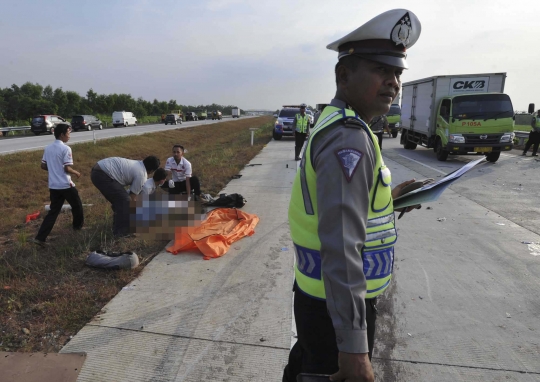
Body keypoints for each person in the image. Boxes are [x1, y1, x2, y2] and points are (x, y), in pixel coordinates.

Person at [283, 9, 422, 382]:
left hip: (320, 299)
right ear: (344, 75)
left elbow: (338, 209)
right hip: (337, 307)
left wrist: (388, 200)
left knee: (306, 365)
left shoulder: (343, 124)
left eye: (398, 74)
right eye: (381, 70)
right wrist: (355, 348)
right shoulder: (349, 137)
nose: (393, 83)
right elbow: (342, 245)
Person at [33, 123, 83, 247]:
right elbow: (67, 168)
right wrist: (76, 172)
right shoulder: (66, 149)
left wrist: (54, 169)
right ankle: (77, 229)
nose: (69, 136)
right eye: (68, 133)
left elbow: (43, 166)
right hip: (66, 184)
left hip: (54, 186)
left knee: (53, 212)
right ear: (62, 134)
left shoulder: (48, 148)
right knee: (77, 206)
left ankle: (40, 237)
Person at [91, 155, 160, 237]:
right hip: (103, 174)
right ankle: (121, 233)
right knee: (125, 201)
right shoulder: (142, 174)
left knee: (120, 200)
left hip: (98, 170)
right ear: (152, 170)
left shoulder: (138, 164)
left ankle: (117, 227)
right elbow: (133, 197)